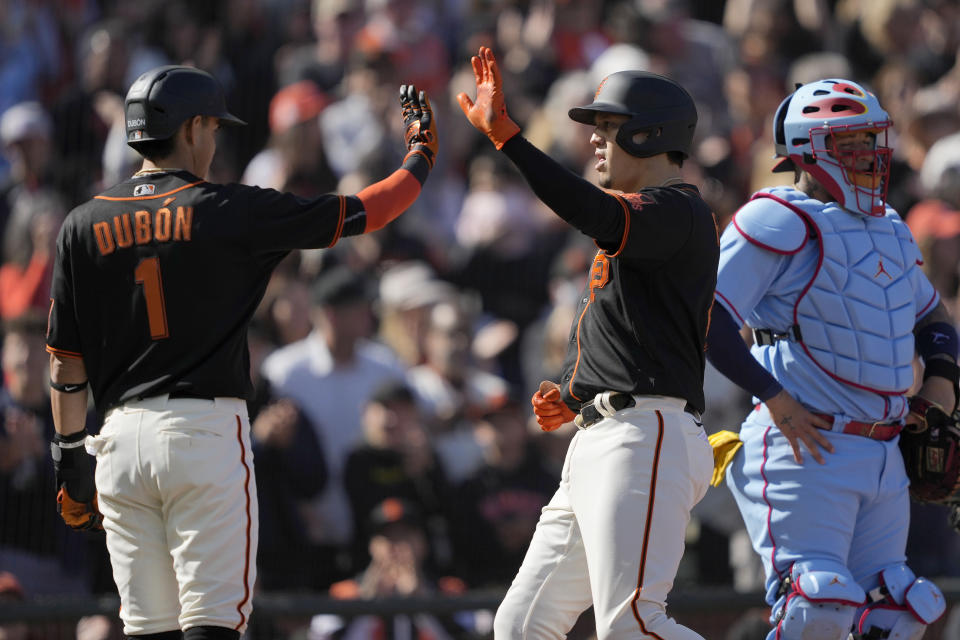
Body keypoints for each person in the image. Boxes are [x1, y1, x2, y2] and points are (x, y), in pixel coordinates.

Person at [44, 65, 438, 640]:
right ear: (192, 127)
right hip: (201, 433)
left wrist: (69, 457)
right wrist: (419, 158)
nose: (215, 140)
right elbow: (365, 212)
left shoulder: (80, 224)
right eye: (213, 127)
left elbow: (63, 365)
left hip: (118, 444)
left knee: (148, 631)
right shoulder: (228, 209)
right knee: (212, 626)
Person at [458, 46, 718, 639]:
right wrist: (578, 393)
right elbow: (628, 328)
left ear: (652, 135)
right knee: (522, 624)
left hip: (644, 432)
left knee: (631, 626)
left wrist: (509, 139)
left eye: (609, 127)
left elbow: (587, 211)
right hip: (607, 436)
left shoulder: (677, 209)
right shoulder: (652, 218)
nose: (595, 140)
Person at [705, 78, 953, 640]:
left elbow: (935, 320)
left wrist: (941, 384)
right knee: (818, 607)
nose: (871, 154)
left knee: (900, 612)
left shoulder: (889, 225)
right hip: (805, 444)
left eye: (873, 139)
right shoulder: (773, 218)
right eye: (852, 142)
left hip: (884, 449)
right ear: (808, 148)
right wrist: (773, 396)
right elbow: (709, 318)